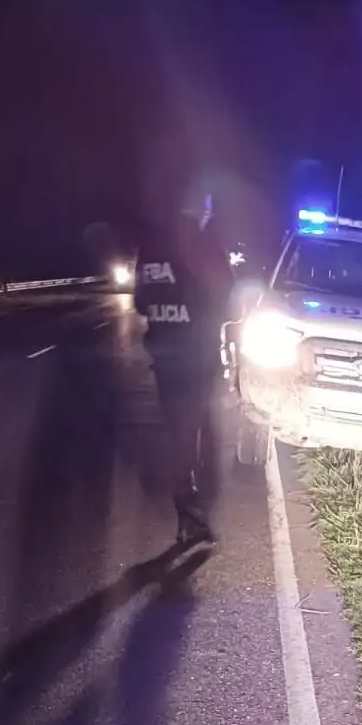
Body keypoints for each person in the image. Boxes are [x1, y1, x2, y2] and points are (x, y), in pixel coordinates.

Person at [135, 184, 233, 545]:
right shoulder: (203, 244)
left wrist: (167, 308)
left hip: (164, 356)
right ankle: (194, 510)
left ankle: (187, 507)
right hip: (198, 356)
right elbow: (226, 294)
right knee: (202, 432)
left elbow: (140, 302)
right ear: (199, 211)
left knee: (179, 429)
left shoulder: (149, 249)